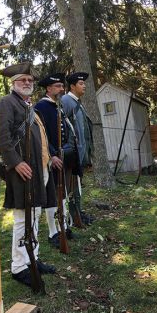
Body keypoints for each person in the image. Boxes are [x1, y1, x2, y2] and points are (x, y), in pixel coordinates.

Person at [0, 62, 56, 288]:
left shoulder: (28, 106)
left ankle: (32, 259)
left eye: (30, 80)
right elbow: (1, 138)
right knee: (23, 219)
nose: (28, 83)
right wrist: (15, 162)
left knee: (35, 214)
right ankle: (19, 268)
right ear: (13, 83)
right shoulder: (6, 103)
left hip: (39, 170)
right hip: (23, 169)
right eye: (23, 80)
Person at [35, 73, 79, 247]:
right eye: (58, 86)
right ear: (49, 89)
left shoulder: (56, 106)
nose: (62, 89)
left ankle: (63, 226)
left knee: (62, 194)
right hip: (49, 158)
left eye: (62, 86)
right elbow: (41, 136)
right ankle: (53, 232)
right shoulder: (41, 107)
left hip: (61, 157)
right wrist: (52, 156)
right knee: (52, 196)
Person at [61, 72, 94, 225]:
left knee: (78, 185)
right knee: (72, 187)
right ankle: (73, 217)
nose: (84, 85)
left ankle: (78, 214)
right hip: (72, 154)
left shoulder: (77, 101)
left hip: (80, 153)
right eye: (81, 83)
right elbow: (63, 128)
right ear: (72, 86)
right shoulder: (66, 100)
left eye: (84, 83)